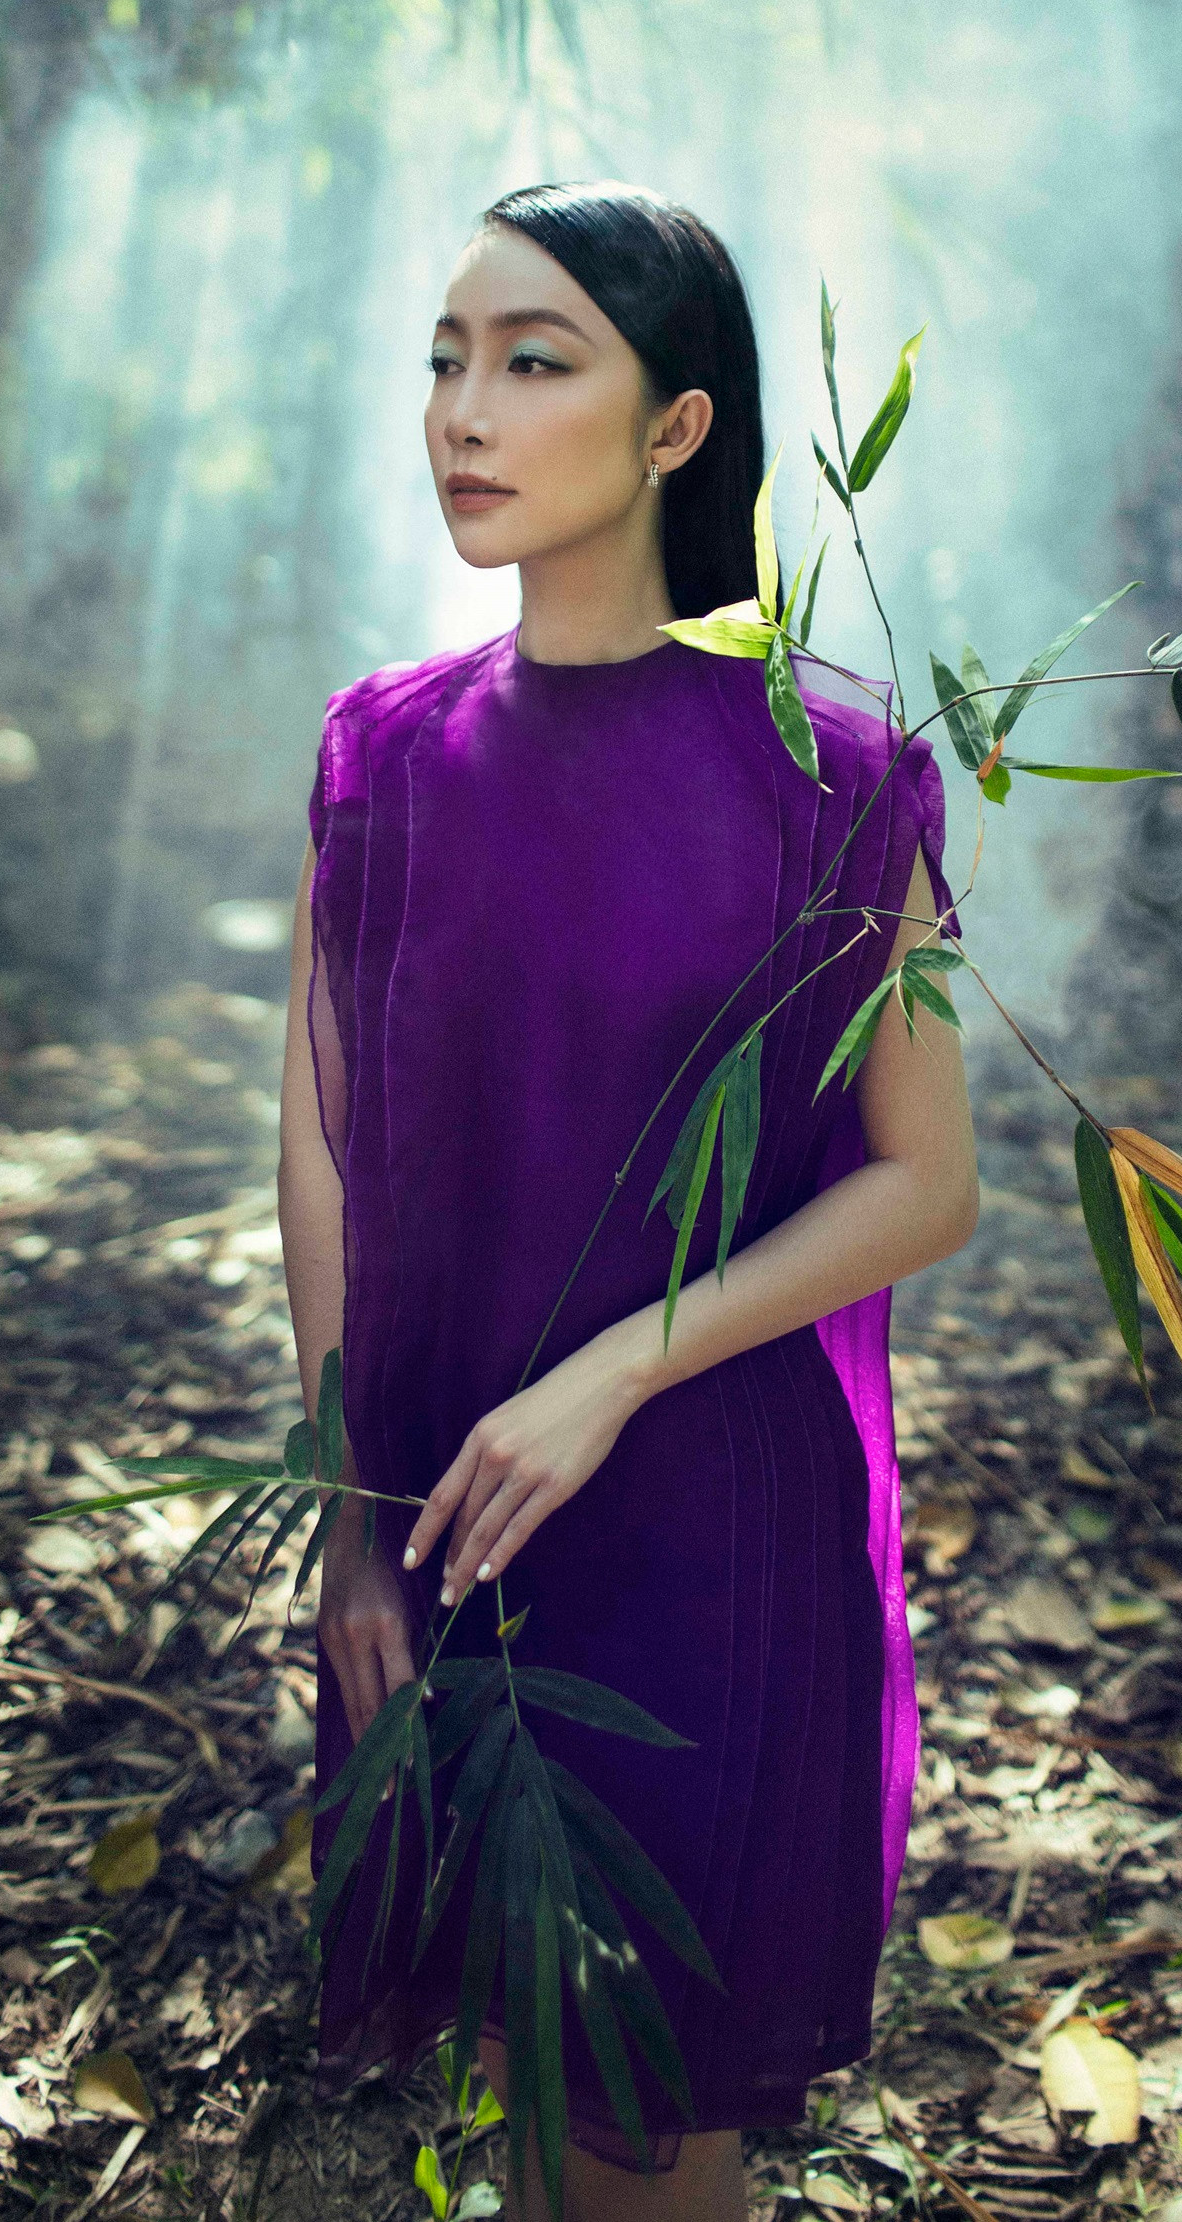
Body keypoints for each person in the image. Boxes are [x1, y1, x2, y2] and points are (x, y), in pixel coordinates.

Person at [277, 182, 979, 2222]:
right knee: (523, 2075)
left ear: (678, 426)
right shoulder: (383, 753)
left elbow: (926, 1183)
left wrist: (610, 1372)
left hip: (699, 1521)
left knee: (641, 2119)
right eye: (443, 361)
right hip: (444, 1508)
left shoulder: (832, 773)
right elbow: (319, 1136)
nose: (461, 412)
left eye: (531, 360)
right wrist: (348, 1518)